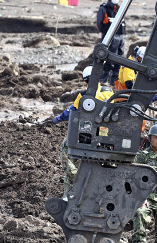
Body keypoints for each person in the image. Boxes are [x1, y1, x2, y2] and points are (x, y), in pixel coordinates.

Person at [52, 66, 114, 197]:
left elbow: (72, 111)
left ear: (86, 80)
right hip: (106, 135)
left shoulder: (84, 97)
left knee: (67, 148)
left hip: (87, 134)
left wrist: (58, 118)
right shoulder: (109, 92)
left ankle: (71, 190)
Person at [97, 0, 126, 85]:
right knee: (108, 58)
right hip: (110, 36)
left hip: (120, 35)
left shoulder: (119, 8)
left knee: (120, 58)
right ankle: (104, 80)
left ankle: (114, 81)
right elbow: (99, 23)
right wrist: (106, 33)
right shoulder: (104, 8)